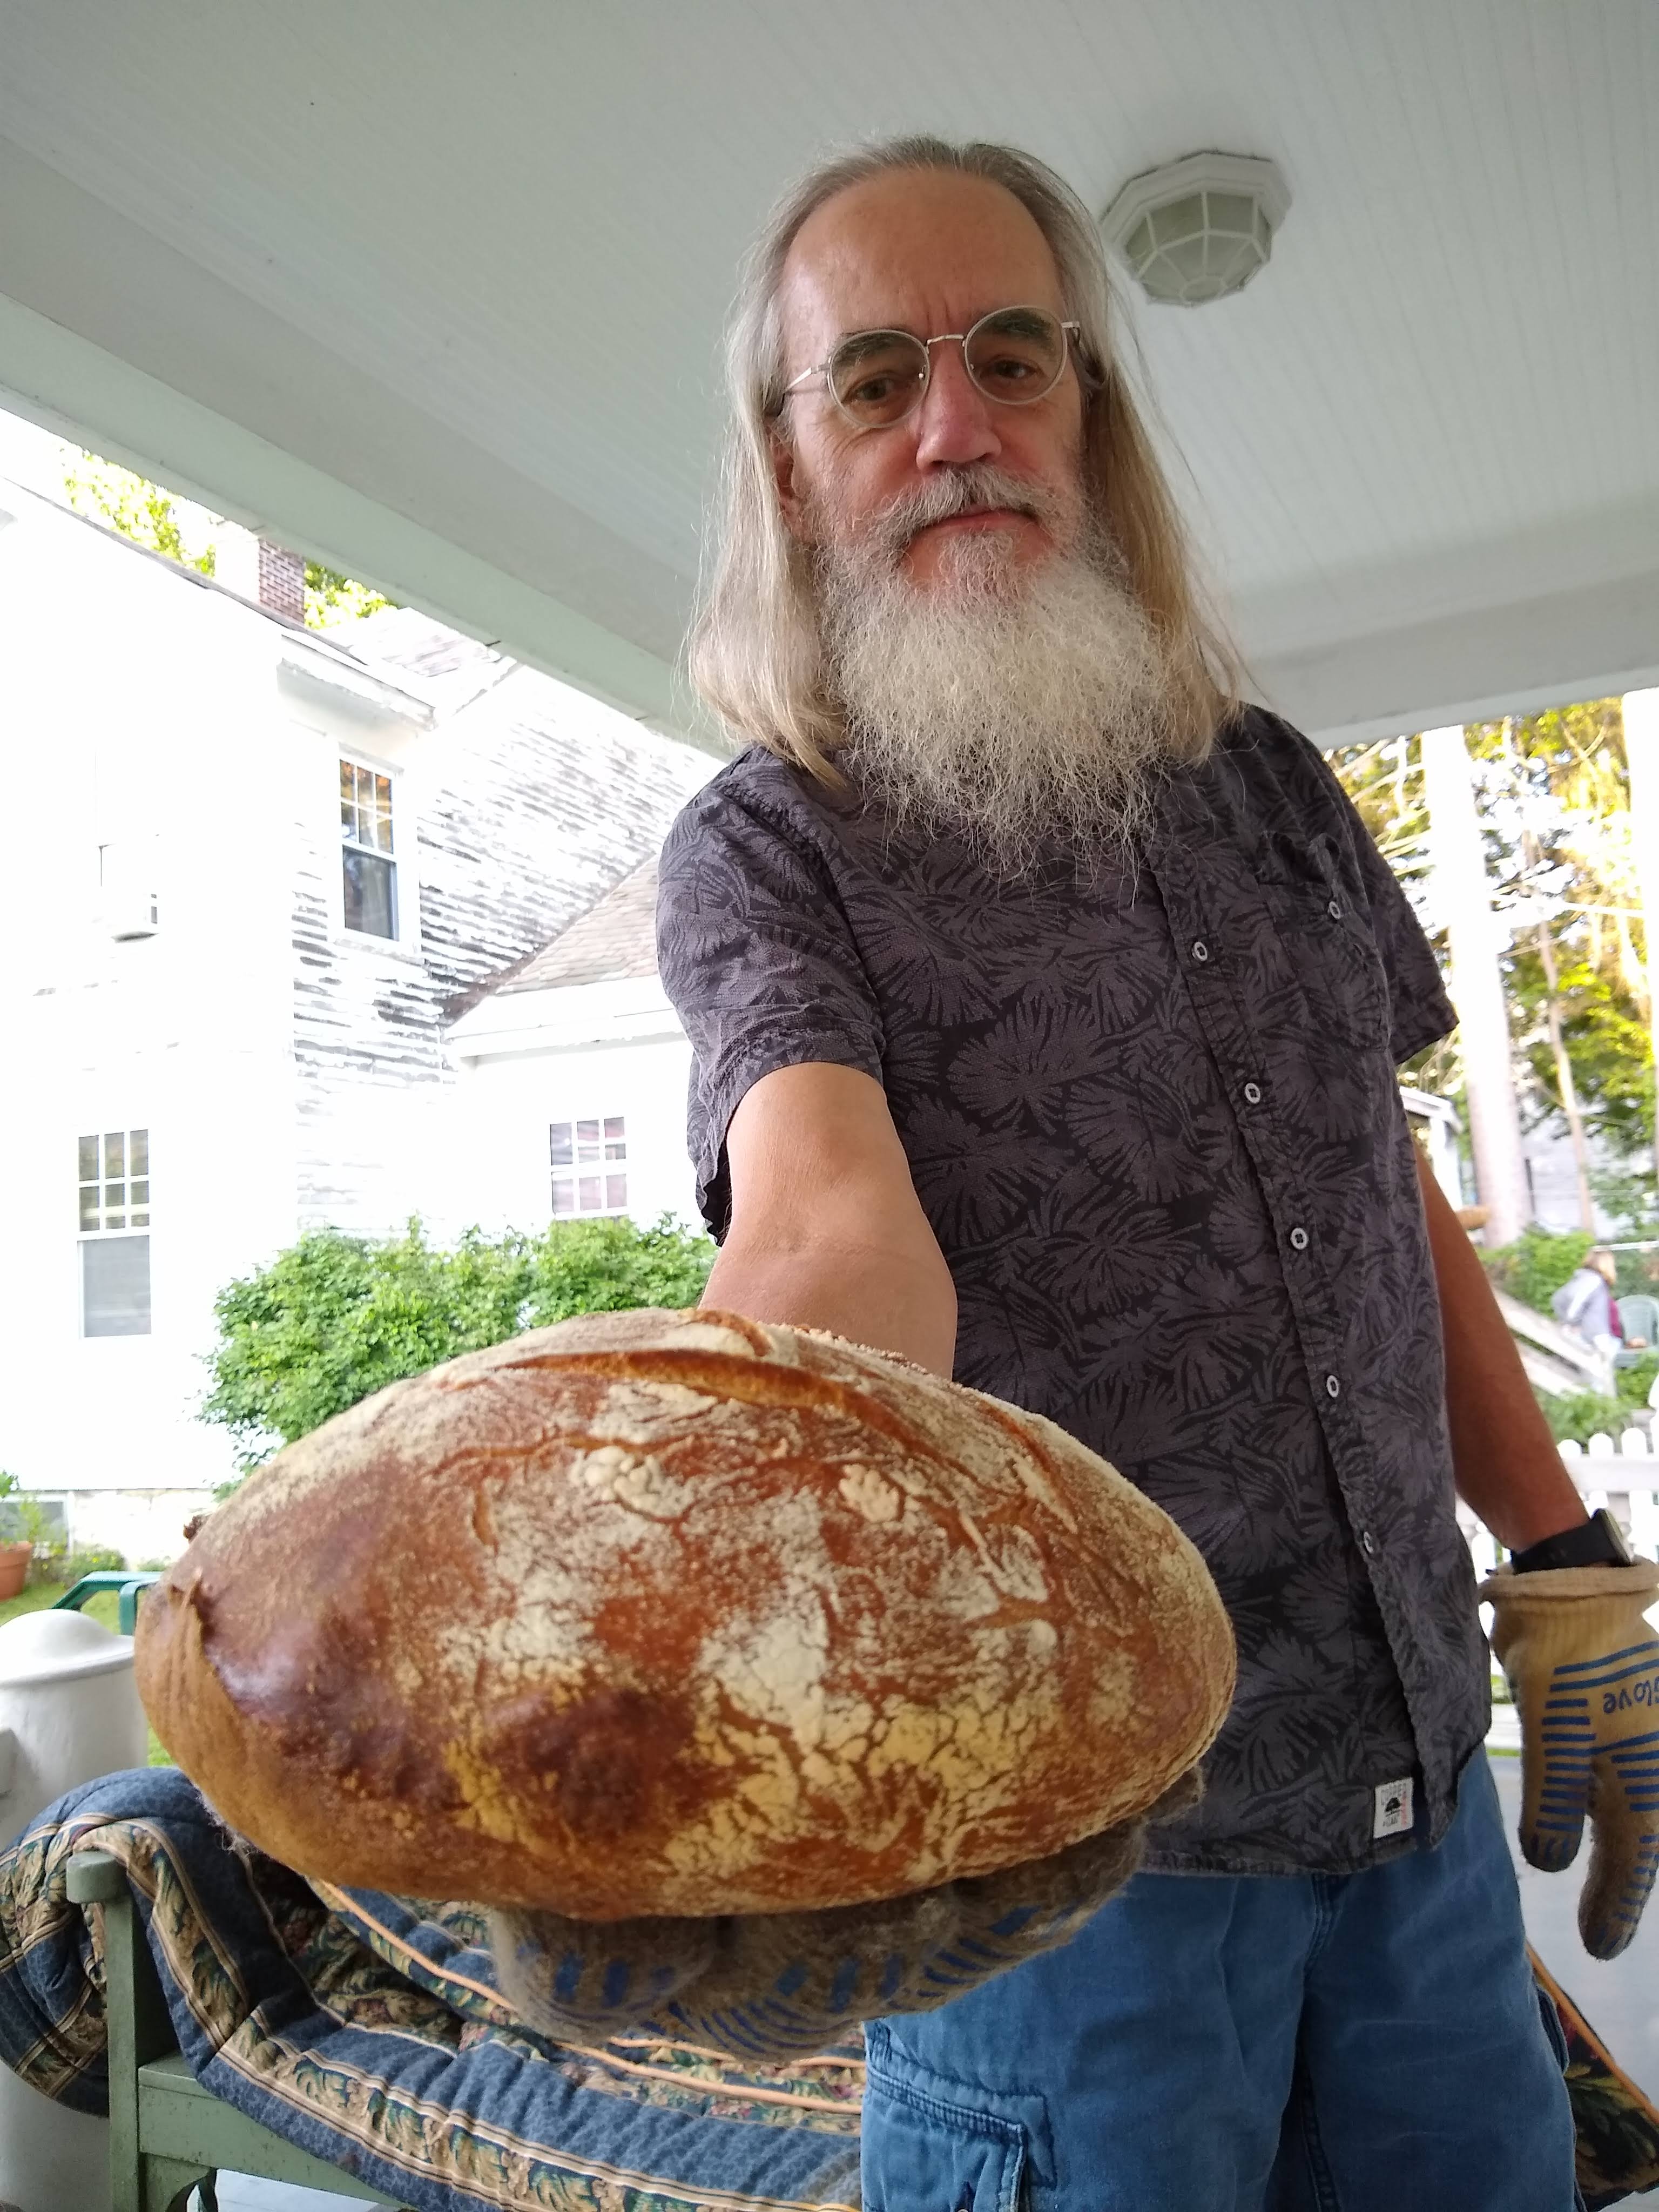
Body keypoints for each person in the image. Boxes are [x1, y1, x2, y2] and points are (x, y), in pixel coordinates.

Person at [656, 135, 1656, 2211]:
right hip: (1062, 1904)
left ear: (1090, 417)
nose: (960, 426)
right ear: (786, 464)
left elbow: (1378, 1191)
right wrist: (658, 1588)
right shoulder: (772, 849)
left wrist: (1558, 1546)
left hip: (1418, 1834)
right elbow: (832, 1225)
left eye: (1016, 359)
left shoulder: (1272, 788)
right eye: (877, 380)